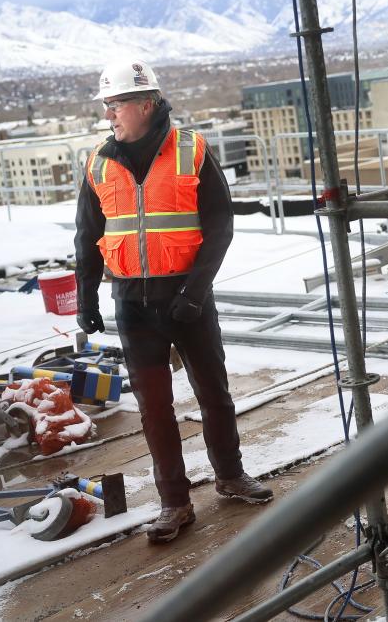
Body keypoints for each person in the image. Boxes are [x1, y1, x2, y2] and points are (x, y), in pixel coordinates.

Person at [74, 59, 273, 544]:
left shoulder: (191, 151)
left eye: (116, 104)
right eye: (106, 106)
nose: (109, 115)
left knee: (213, 392)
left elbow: (220, 227)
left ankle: (230, 476)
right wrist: (87, 298)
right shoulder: (99, 162)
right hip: (133, 305)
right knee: (154, 408)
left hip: (188, 299)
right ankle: (174, 503)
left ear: (145, 104)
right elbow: (87, 235)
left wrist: (194, 292)